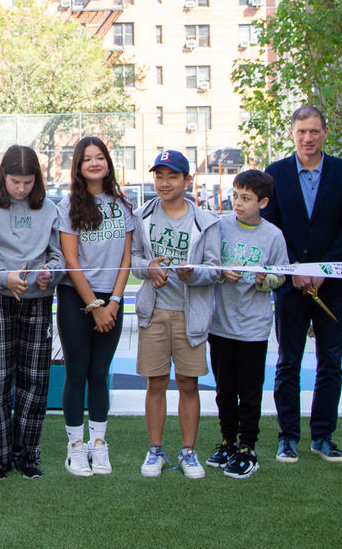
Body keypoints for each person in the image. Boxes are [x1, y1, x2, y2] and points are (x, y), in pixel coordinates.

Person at [262, 105, 342, 463]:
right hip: (290, 287)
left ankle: (323, 436)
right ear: (292, 132)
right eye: (302, 131)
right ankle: (287, 436)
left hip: (331, 286)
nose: (308, 138)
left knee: (330, 362)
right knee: (288, 362)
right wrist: (294, 268)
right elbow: (269, 229)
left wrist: (325, 269)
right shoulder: (274, 175)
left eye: (314, 131)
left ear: (325, 132)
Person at [0, 145, 63, 479]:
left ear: (37, 180)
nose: (21, 188)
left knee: (34, 379)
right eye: (14, 181)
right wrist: (4, 278)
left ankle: (27, 454)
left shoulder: (51, 209)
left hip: (37, 300)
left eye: (27, 182)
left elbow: (59, 257)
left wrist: (50, 272)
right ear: (2, 177)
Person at [131, 150, 221, 479]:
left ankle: (188, 452)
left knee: (188, 383)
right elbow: (135, 260)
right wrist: (148, 268)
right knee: (155, 383)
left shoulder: (206, 221)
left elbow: (214, 270)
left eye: (172, 176)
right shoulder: (141, 216)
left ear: (187, 180)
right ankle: (155, 450)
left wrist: (191, 273)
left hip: (190, 313)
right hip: (153, 312)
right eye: (159, 176)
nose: (165, 183)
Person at [56, 136, 135, 477]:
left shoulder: (122, 203)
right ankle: (75, 447)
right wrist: (94, 305)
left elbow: (126, 258)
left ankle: (99, 444)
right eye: (87, 158)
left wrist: (114, 302)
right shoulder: (69, 205)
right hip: (77, 298)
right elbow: (71, 261)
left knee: (100, 374)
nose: (94, 163)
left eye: (99, 157)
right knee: (77, 373)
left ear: (108, 162)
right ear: (78, 165)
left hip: (113, 300)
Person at [204, 169, 288, 479]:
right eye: (235, 196)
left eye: (246, 199)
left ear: (263, 202)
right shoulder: (220, 226)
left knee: (249, 391)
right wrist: (222, 272)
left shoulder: (273, 236)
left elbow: (282, 277)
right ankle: (227, 441)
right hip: (221, 325)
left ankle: (247, 447)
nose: (237, 203)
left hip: (253, 328)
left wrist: (265, 281)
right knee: (224, 389)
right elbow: (209, 263)